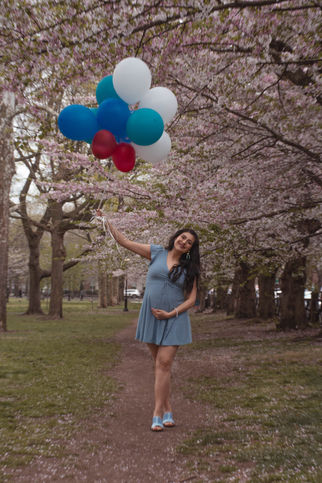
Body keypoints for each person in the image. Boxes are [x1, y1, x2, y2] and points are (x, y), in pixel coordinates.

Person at [101, 215, 200, 432]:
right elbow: (124, 242)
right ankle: (167, 409)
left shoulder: (190, 268)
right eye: (182, 237)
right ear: (176, 237)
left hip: (174, 318)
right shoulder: (155, 252)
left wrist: (170, 313)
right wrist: (107, 221)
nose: (183, 242)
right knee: (159, 366)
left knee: (164, 364)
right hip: (152, 316)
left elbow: (191, 300)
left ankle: (156, 413)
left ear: (191, 248)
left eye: (189, 242)